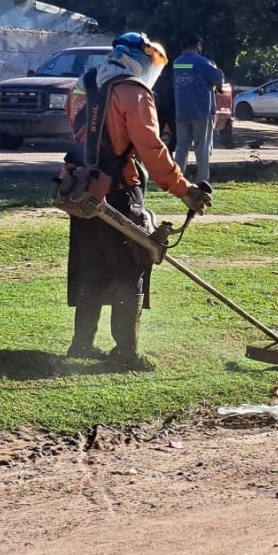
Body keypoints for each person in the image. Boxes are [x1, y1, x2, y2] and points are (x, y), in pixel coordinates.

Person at [62, 32, 213, 371]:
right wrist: (183, 188)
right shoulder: (133, 91)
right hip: (118, 189)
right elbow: (151, 147)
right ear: (139, 60)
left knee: (92, 266)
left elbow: (76, 125)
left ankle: (82, 344)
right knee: (130, 267)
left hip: (81, 189)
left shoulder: (84, 83)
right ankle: (127, 354)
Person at [172, 34, 223, 183]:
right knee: (202, 148)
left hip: (181, 111)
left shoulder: (177, 63)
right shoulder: (202, 62)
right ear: (197, 46)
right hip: (201, 111)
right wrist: (215, 68)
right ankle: (202, 180)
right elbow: (218, 79)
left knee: (181, 149)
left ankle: (177, 179)